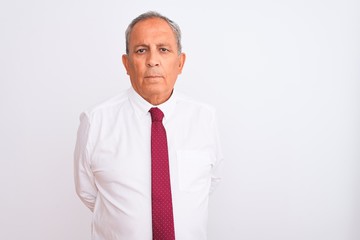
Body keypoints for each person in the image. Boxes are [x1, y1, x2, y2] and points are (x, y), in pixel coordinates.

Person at [74, 11, 223, 240]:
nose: (152, 60)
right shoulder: (96, 121)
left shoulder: (205, 118)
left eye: (163, 49)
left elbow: (209, 182)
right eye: (141, 50)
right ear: (126, 63)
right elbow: (88, 193)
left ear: (180, 62)